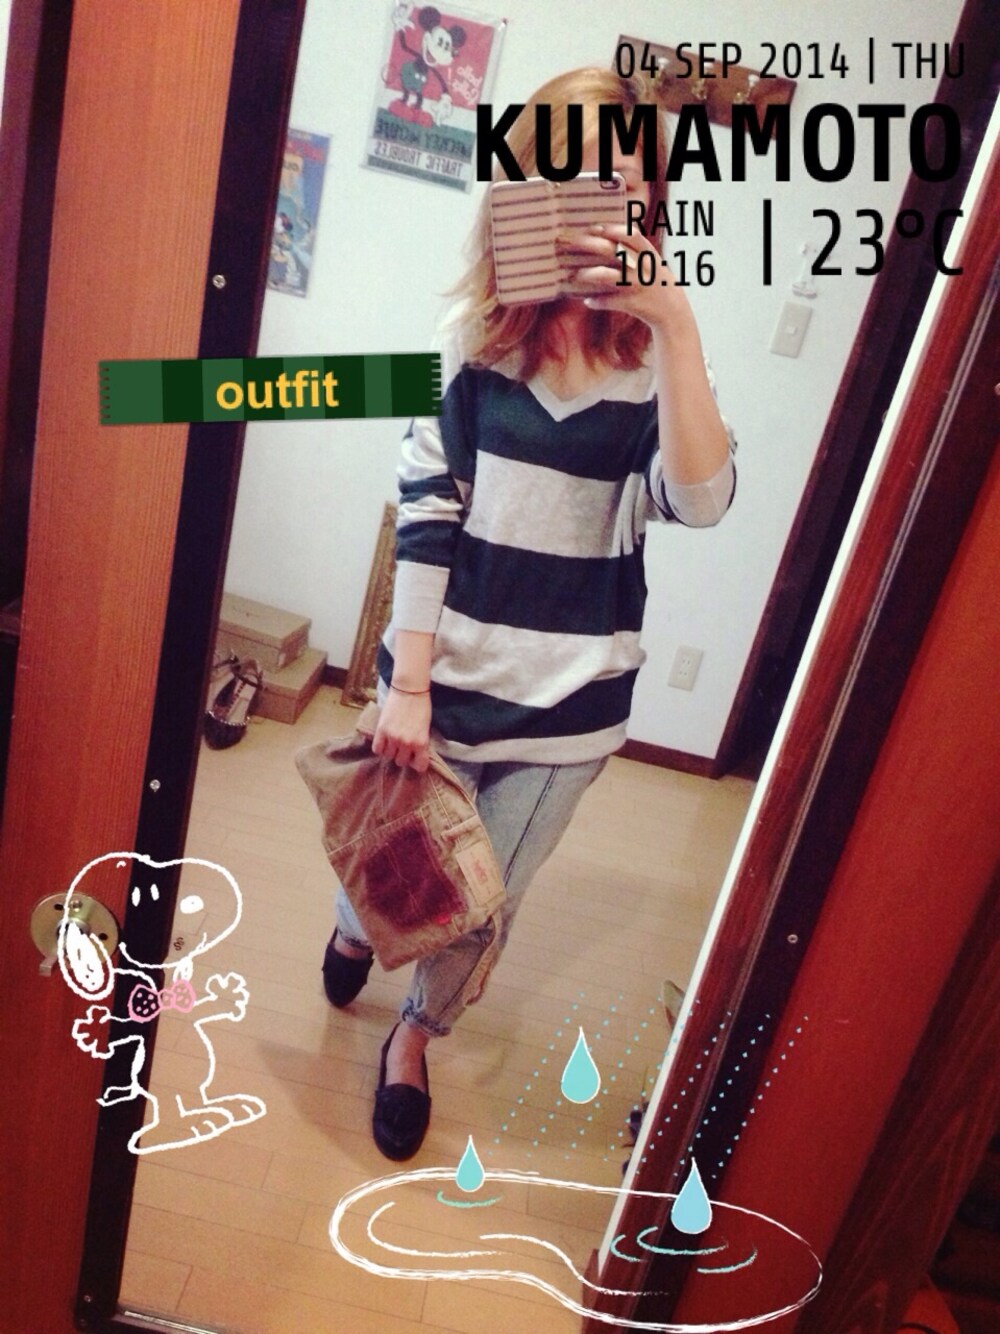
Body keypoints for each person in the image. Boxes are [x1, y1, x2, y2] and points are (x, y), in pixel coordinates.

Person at [323, 66, 736, 1161]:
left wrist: (679, 327)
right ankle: (354, 932)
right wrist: (408, 685)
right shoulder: (470, 341)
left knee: (482, 900)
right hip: (441, 682)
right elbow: (427, 509)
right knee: (385, 864)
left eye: (629, 183)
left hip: (571, 706)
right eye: (577, 174)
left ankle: (415, 1037)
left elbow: (700, 501)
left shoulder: (656, 365)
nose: (606, 200)